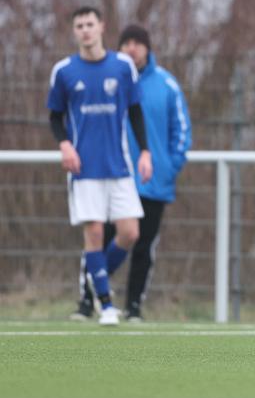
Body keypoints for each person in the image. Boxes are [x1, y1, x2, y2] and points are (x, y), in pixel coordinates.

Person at [70, 24, 192, 322]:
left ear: (148, 48)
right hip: (112, 174)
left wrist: (167, 168)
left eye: (138, 43)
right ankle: (89, 300)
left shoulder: (166, 84)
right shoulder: (107, 78)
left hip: (153, 183)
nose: (132, 48)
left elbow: (182, 132)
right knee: (98, 238)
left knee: (141, 245)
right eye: (127, 43)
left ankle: (134, 306)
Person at [48, 7, 153, 326]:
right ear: (74, 31)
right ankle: (106, 305)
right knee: (93, 233)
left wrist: (145, 152)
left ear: (101, 27)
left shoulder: (122, 66)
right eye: (79, 25)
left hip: (119, 165)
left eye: (89, 24)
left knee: (130, 233)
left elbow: (135, 111)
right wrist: (65, 144)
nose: (85, 30)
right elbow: (55, 116)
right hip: (85, 169)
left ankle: (96, 278)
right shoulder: (64, 71)